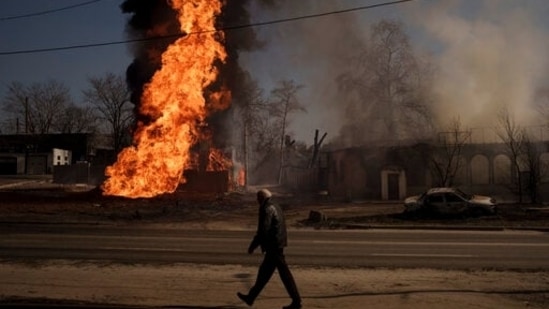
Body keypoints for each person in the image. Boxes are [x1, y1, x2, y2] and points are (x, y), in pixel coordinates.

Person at [237, 189, 302, 309]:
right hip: (278, 243)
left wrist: (253, 245)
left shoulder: (266, 208)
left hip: (274, 246)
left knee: (285, 275)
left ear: (261, 198)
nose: (257, 201)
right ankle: (251, 297)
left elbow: (263, 229)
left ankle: (296, 301)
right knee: (264, 274)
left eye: (257, 198)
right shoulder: (276, 206)